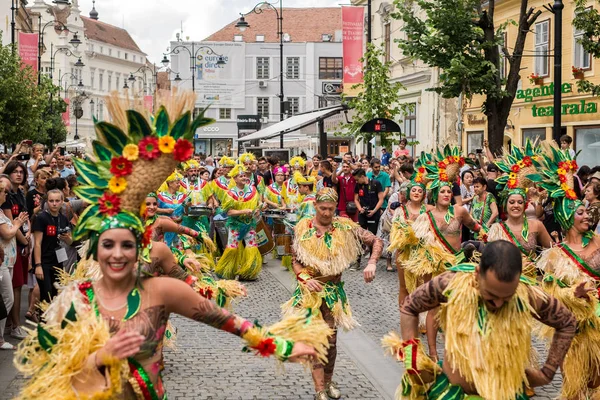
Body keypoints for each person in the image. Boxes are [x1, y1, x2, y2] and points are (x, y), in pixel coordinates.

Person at [14, 94, 326, 398]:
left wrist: (284, 347)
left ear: (140, 247)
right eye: (108, 244)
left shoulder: (160, 290)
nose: (118, 253)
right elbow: (53, 376)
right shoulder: (76, 298)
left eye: (128, 244)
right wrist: (100, 357)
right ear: (95, 249)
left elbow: (232, 324)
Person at [385, 241, 576, 400]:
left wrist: (548, 372)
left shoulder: (528, 295)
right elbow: (410, 306)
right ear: (477, 274)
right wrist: (412, 356)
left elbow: (567, 322)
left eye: (507, 297)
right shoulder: (451, 283)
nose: (498, 303)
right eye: (491, 295)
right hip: (451, 393)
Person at [283, 187, 383, 400]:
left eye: (330, 209)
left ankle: (328, 381)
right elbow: (295, 260)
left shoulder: (345, 227)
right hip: (309, 292)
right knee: (316, 339)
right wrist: (304, 278)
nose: (327, 213)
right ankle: (319, 389)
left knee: (331, 342)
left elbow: (377, 241)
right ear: (315, 206)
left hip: (333, 293)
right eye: (322, 209)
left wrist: (372, 263)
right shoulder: (303, 227)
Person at [403, 145, 485, 358]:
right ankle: (432, 351)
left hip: (455, 264)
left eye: (449, 191)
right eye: (443, 191)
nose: (447, 194)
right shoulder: (426, 213)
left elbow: (475, 227)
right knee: (435, 307)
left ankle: (455, 348)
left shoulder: (459, 211)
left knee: (456, 306)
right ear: (435, 194)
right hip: (433, 264)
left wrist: (488, 238)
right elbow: (414, 232)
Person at [532, 148, 600, 399]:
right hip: (571, 327)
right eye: (580, 212)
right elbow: (550, 296)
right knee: (574, 382)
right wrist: (575, 292)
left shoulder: (599, 241)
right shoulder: (556, 255)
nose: (587, 216)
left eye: (586, 211)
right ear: (566, 217)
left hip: (598, 319)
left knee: (595, 380)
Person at [389, 160, 431, 305]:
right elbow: (395, 232)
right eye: (414, 190)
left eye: (420, 191)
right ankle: (405, 316)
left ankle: (421, 320)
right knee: (404, 287)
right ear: (409, 192)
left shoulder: (429, 210)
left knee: (422, 286)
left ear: (424, 194)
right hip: (404, 253)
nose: (416, 193)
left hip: (423, 254)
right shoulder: (401, 211)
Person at [214, 165, 263, 280]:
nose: (244, 177)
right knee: (232, 247)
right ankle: (227, 270)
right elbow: (229, 212)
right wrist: (244, 211)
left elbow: (257, 205)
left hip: (249, 224)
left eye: (245, 175)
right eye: (241, 176)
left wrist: (257, 210)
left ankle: (249, 272)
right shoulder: (230, 193)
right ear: (235, 179)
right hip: (235, 225)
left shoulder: (253, 190)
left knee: (251, 246)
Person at [0, 163, 30, 340]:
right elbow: (10, 227)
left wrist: (27, 236)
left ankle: (10, 325)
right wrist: (24, 239)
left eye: (21, 172)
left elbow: (24, 218)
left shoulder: (19, 194)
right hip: (9, 252)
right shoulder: (7, 201)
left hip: (16, 248)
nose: (19, 174)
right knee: (11, 292)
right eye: (15, 171)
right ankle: (13, 327)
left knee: (15, 287)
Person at [32, 189, 72, 303]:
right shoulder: (42, 218)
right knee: (46, 293)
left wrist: (68, 239)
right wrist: (38, 265)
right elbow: (37, 243)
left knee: (55, 293)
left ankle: (52, 320)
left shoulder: (63, 219)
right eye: (51, 201)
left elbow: (69, 241)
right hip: (44, 260)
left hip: (58, 260)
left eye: (57, 201)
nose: (54, 203)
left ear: (62, 201)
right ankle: (43, 319)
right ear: (47, 202)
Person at [353, 168, 384, 236]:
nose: (357, 182)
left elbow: (381, 199)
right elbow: (356, 199)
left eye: (357, 180)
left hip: (374, 213)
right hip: (362, 213)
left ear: (362, 176)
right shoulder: (358, 185)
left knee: (372, 236)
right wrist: (360, 209)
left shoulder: (376, 183)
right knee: (361, 235)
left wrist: (374, 211)